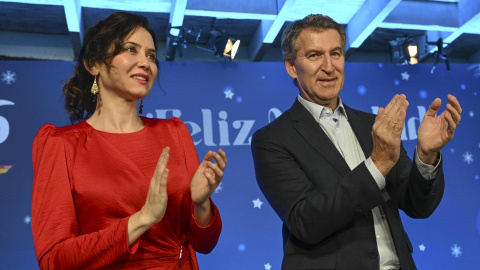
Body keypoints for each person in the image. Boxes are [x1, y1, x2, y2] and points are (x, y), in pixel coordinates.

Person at [251, 14, 462, 270]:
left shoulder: (372, 125)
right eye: (315, 55)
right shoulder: (272, 139)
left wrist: (426, 155)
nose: (329, 67)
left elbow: (417, 206)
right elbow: (305, 221)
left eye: (336, 53)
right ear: (292, 66)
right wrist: (378, 164)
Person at [31, 12, 227, 270]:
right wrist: (143, 218)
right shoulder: (62, 145)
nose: (146, 63)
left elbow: (204, 243)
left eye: (151, 56)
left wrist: (202, 205)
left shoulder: (175, 133)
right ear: (94, 64)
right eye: (130, 50)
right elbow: (54, 260)